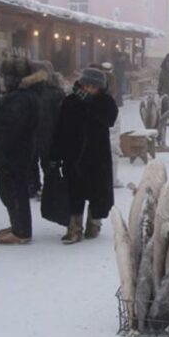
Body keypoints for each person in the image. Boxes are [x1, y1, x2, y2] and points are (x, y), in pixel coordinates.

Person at [50, 68, 118, 244]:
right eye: (87, 86)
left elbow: (109, 119)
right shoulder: (71, 101)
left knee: (98, 193)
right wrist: (55, 155)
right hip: (73, 155)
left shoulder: (106, 102)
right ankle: (74, 228)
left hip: (97, 156)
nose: (89, 89)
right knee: (74, 192)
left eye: (94, 87)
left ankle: (94, 224)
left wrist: (91, 104)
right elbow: (60, 129)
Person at [0, 57, 40, 245]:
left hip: (13, 153)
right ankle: (17, 225)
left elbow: (10, 128)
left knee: (13, 191)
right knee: (12, 190)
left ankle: (21, 231)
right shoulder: (21, 96)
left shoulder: (19, 99)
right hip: (17, 152)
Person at [26, 61, 65, 200]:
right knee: (34, 162)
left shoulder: (54, 92)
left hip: (48, 133)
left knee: (46, 163)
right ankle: (36, 186)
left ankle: (47, 188)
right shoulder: (30, 92)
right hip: (36, 133)